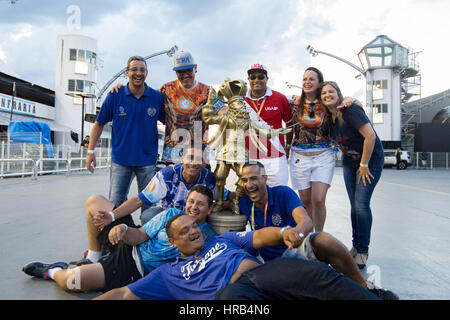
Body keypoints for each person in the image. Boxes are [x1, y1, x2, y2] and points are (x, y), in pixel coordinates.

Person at [94, 214, 380, 300]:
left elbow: (259, 236)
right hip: (236, 296)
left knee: (316, 275)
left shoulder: (223, 240)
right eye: (186, 230)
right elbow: (121, 295)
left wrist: (283, 233)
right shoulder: (169, 275)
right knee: (227, 300)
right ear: (172, 241)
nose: (194, 231)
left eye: (195, 226)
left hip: (265, 274)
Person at [238, 162, 397, 299]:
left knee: (323, 240)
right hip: (270, 266)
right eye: (244, 180)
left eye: (253, 178)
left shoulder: (282, 193)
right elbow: (218, 201)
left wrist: (297, 233)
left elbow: (306, 221)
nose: (249, 184)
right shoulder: (243, 201)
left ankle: (364, 287)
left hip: (294, 251)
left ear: (264, 179)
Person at [22, 185, 217, 293]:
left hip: (133, 268)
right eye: (191, 201)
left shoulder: (207, 236)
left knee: (73, 281)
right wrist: (123, 228)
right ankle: (94, 255)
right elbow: (140, 235)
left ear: (210, 209)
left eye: (200, 204)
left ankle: (52, 271)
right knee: (95, 202)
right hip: (130, 242)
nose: (193, 207)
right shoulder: (171, 214)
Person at [110, 51, 223, 165]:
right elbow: (145, 100)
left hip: (198, 157)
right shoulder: (167, 89)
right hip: (171, 157)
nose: (185, 75)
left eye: (188, 70)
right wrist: (123, 89)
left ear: (195, 68)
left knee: (201, 183)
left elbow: (223, 110)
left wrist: (236, 108)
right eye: (180, 72)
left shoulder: (207, 92)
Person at [86, 56, 165, 214]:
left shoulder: (156, 98)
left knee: (149, 206)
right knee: (115, 205)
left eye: (142, 70)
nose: (138, 73)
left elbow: (170, 121)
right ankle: (118, 237)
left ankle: (145, 237)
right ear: (127, 72)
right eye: (134, 69)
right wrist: (90, 152)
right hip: (121, 161)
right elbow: (99, 124)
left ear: (147, 73)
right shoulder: (115, 95)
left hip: (147, 162)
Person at [320, 81, 384, 269]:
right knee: (354, 206)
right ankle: (356, 246)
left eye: (331, 91)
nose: (327, 95)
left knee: (362, 205)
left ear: (338, 93)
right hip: (350, 162)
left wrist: (364, 164)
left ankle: (363, 251)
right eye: (323, 93)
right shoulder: (330, 117)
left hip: (369, 160)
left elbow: (370, 136)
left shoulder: (349, 110)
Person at [289, 67, 334, 232]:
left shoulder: (327, 102)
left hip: (323, 157)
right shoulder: (294, 103)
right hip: (300, 157)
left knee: (319, 200)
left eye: (311, 79)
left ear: (319, 82)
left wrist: (353, 100)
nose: (307, 82)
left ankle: (318, 237)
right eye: (304, 79)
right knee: (306, 202)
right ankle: (307, 238)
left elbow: (343, 103)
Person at [243, 63, 293, 186]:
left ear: (267, 79)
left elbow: (290, 124)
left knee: (279, 192)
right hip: (252, 157)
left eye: (261, 77)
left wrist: (288, 147)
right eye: (253, 77)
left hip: (276, 156)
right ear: (248, 79)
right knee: (255, 195)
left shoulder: (280, 98)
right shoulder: (241, 101)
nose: (256, 80)